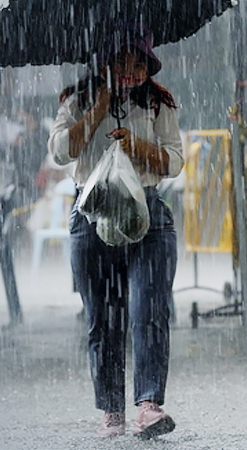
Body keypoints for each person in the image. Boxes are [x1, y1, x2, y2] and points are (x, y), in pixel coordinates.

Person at [47, 27, 183, 439]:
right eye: (123, 60)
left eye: (139, 62)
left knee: (149, 311)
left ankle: (148, 405)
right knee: (104, 320)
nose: (131, 70)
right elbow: (60, 153)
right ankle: (111, 409)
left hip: (148, 217)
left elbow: (174, 162)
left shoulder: (159, 104)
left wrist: (137, 145)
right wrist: (97, 109)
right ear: (104, 62)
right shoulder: (77, 99)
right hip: (93, 218)